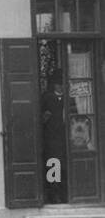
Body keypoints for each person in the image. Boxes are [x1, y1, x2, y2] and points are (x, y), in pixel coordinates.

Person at [39, 72, 66, 204]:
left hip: (67, 138)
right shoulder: (47, 98)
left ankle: (64, 193)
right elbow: (39, 118)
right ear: (54, 85)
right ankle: (54, 195)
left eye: (62, 83)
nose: (60, 86)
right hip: (52, 138)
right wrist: (44, 118)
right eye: (58, 84)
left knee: (66, 166)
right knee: (53, 165)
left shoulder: (70, 98)